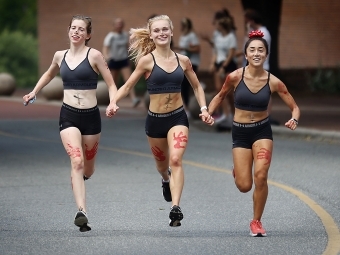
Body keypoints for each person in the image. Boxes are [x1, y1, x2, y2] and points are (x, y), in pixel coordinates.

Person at [106, 15, 214, 227]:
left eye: (165, 29)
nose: (162, 33)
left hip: (177, 117)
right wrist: (113, 102)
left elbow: (197, 87)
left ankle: (175, 208)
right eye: (157, 30)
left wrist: (203, 108)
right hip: (155, 121)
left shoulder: (183, 61)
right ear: (152, 35)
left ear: (172, 32)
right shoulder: (146, 61)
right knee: (162, 166)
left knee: (176, 160)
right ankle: (165, 180)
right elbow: (127, 86)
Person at [22, 15, 118, 232]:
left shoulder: (94, 55)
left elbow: (111, 84)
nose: (76, 32)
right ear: (68, 31)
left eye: (81, 29)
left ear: (88, 34)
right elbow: (48, 74)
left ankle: (82, 178)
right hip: (69, 116)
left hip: (92, 117)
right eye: (73, 28)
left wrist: (113, 102)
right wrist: (34, 92)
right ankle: (82, 212)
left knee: (88, 169)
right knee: (76, 161)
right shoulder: (59, 56)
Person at [207, 30, 300, 236]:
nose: (256, 53)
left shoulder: (273, 81)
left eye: (261, 50)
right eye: (252, 50)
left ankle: (256, 221)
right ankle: (238, 170)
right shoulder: (234, 77)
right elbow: (220, 96)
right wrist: (208, 112)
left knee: (261, 176)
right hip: (240, 133)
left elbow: (294, 106)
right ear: (246, 55)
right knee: (244, 185)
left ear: (266, 55)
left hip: (262, 131)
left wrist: (294, 118)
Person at [102, 18, 140, 107]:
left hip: (123, 60)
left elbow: (128, 47)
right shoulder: (110, 36)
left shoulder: (125, 35)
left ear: (122, 25)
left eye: (120, 24)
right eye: (117, 24)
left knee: (129, 80)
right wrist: (107, 57)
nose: (119, 25)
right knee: (113, 82)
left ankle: (134, 99)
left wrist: (130, 58)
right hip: (114, 60)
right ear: (114, 25)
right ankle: (113, 100)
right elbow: (105, 47)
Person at [209, 17, 238, 128]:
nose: (216, 27)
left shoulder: (231, 37)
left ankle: (235, 114)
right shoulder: (218, 37)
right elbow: (216, 51)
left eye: (218, 25)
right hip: (219, 63)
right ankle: (226, 114)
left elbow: (231, 53)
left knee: (230, 92)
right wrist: (213, 63)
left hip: (228, 64)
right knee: (220, 89)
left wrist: (224, 66)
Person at [173, 17, 201, 118]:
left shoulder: (192, 36)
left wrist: (184, 48)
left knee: (186, 85)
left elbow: (197, 48)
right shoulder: (183, 36)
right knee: (182, 85)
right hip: (183, 63)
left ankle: (188, 108)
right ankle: (184, 107)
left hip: (191, 63)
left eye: (182, 25)